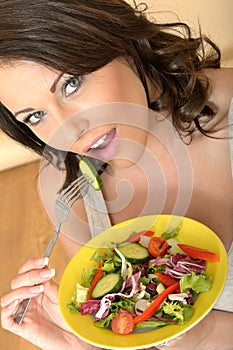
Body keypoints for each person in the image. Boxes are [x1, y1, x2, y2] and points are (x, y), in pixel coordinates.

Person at [0, 0, 232, 349]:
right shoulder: (66, 184)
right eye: (34, 117)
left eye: (71, 84)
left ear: (121, 42)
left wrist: (204, 334)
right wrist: (78, 344)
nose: (68, 132)